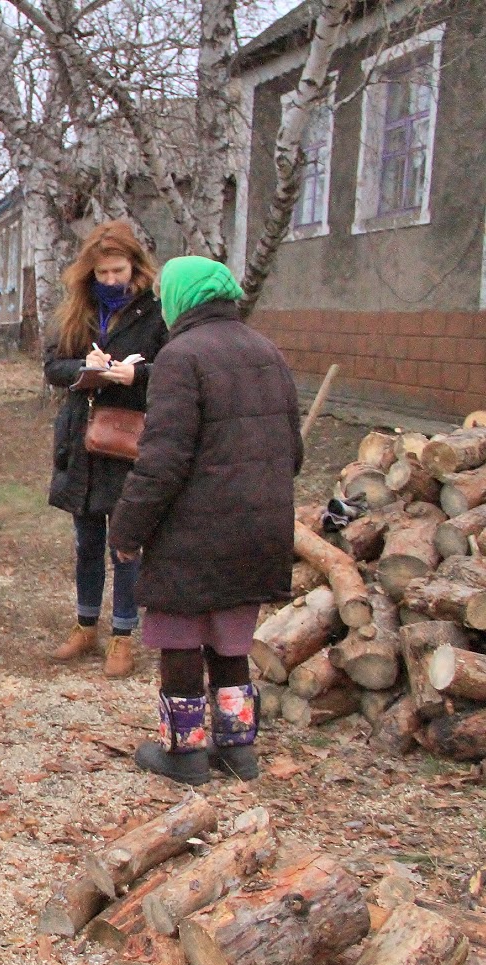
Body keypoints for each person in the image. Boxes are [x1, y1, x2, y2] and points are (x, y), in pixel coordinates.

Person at [109, 256, 302, 785]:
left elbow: (161, 461)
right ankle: (239, 750)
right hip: (259, 528)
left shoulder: (180, 357)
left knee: (181, 637)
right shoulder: (267, 351)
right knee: (232, 639)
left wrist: (127, 531)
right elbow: (295, 451)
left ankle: (185, 753)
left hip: (193, 532)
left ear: (179, 300)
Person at [43, 220, 168, 679]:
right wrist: (84, 367)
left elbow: (173, 368)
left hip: (130, 438)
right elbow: (53, 366)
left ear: (135, 266)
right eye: (103, 273)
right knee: (87, 540)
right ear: (88, 273)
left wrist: (138, 375)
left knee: (126, 544)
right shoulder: (77, 310)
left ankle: (123, 634)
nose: (111, 281)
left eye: (118, 271)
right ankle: (84, 624)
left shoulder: (156, 313)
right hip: (83, 438)